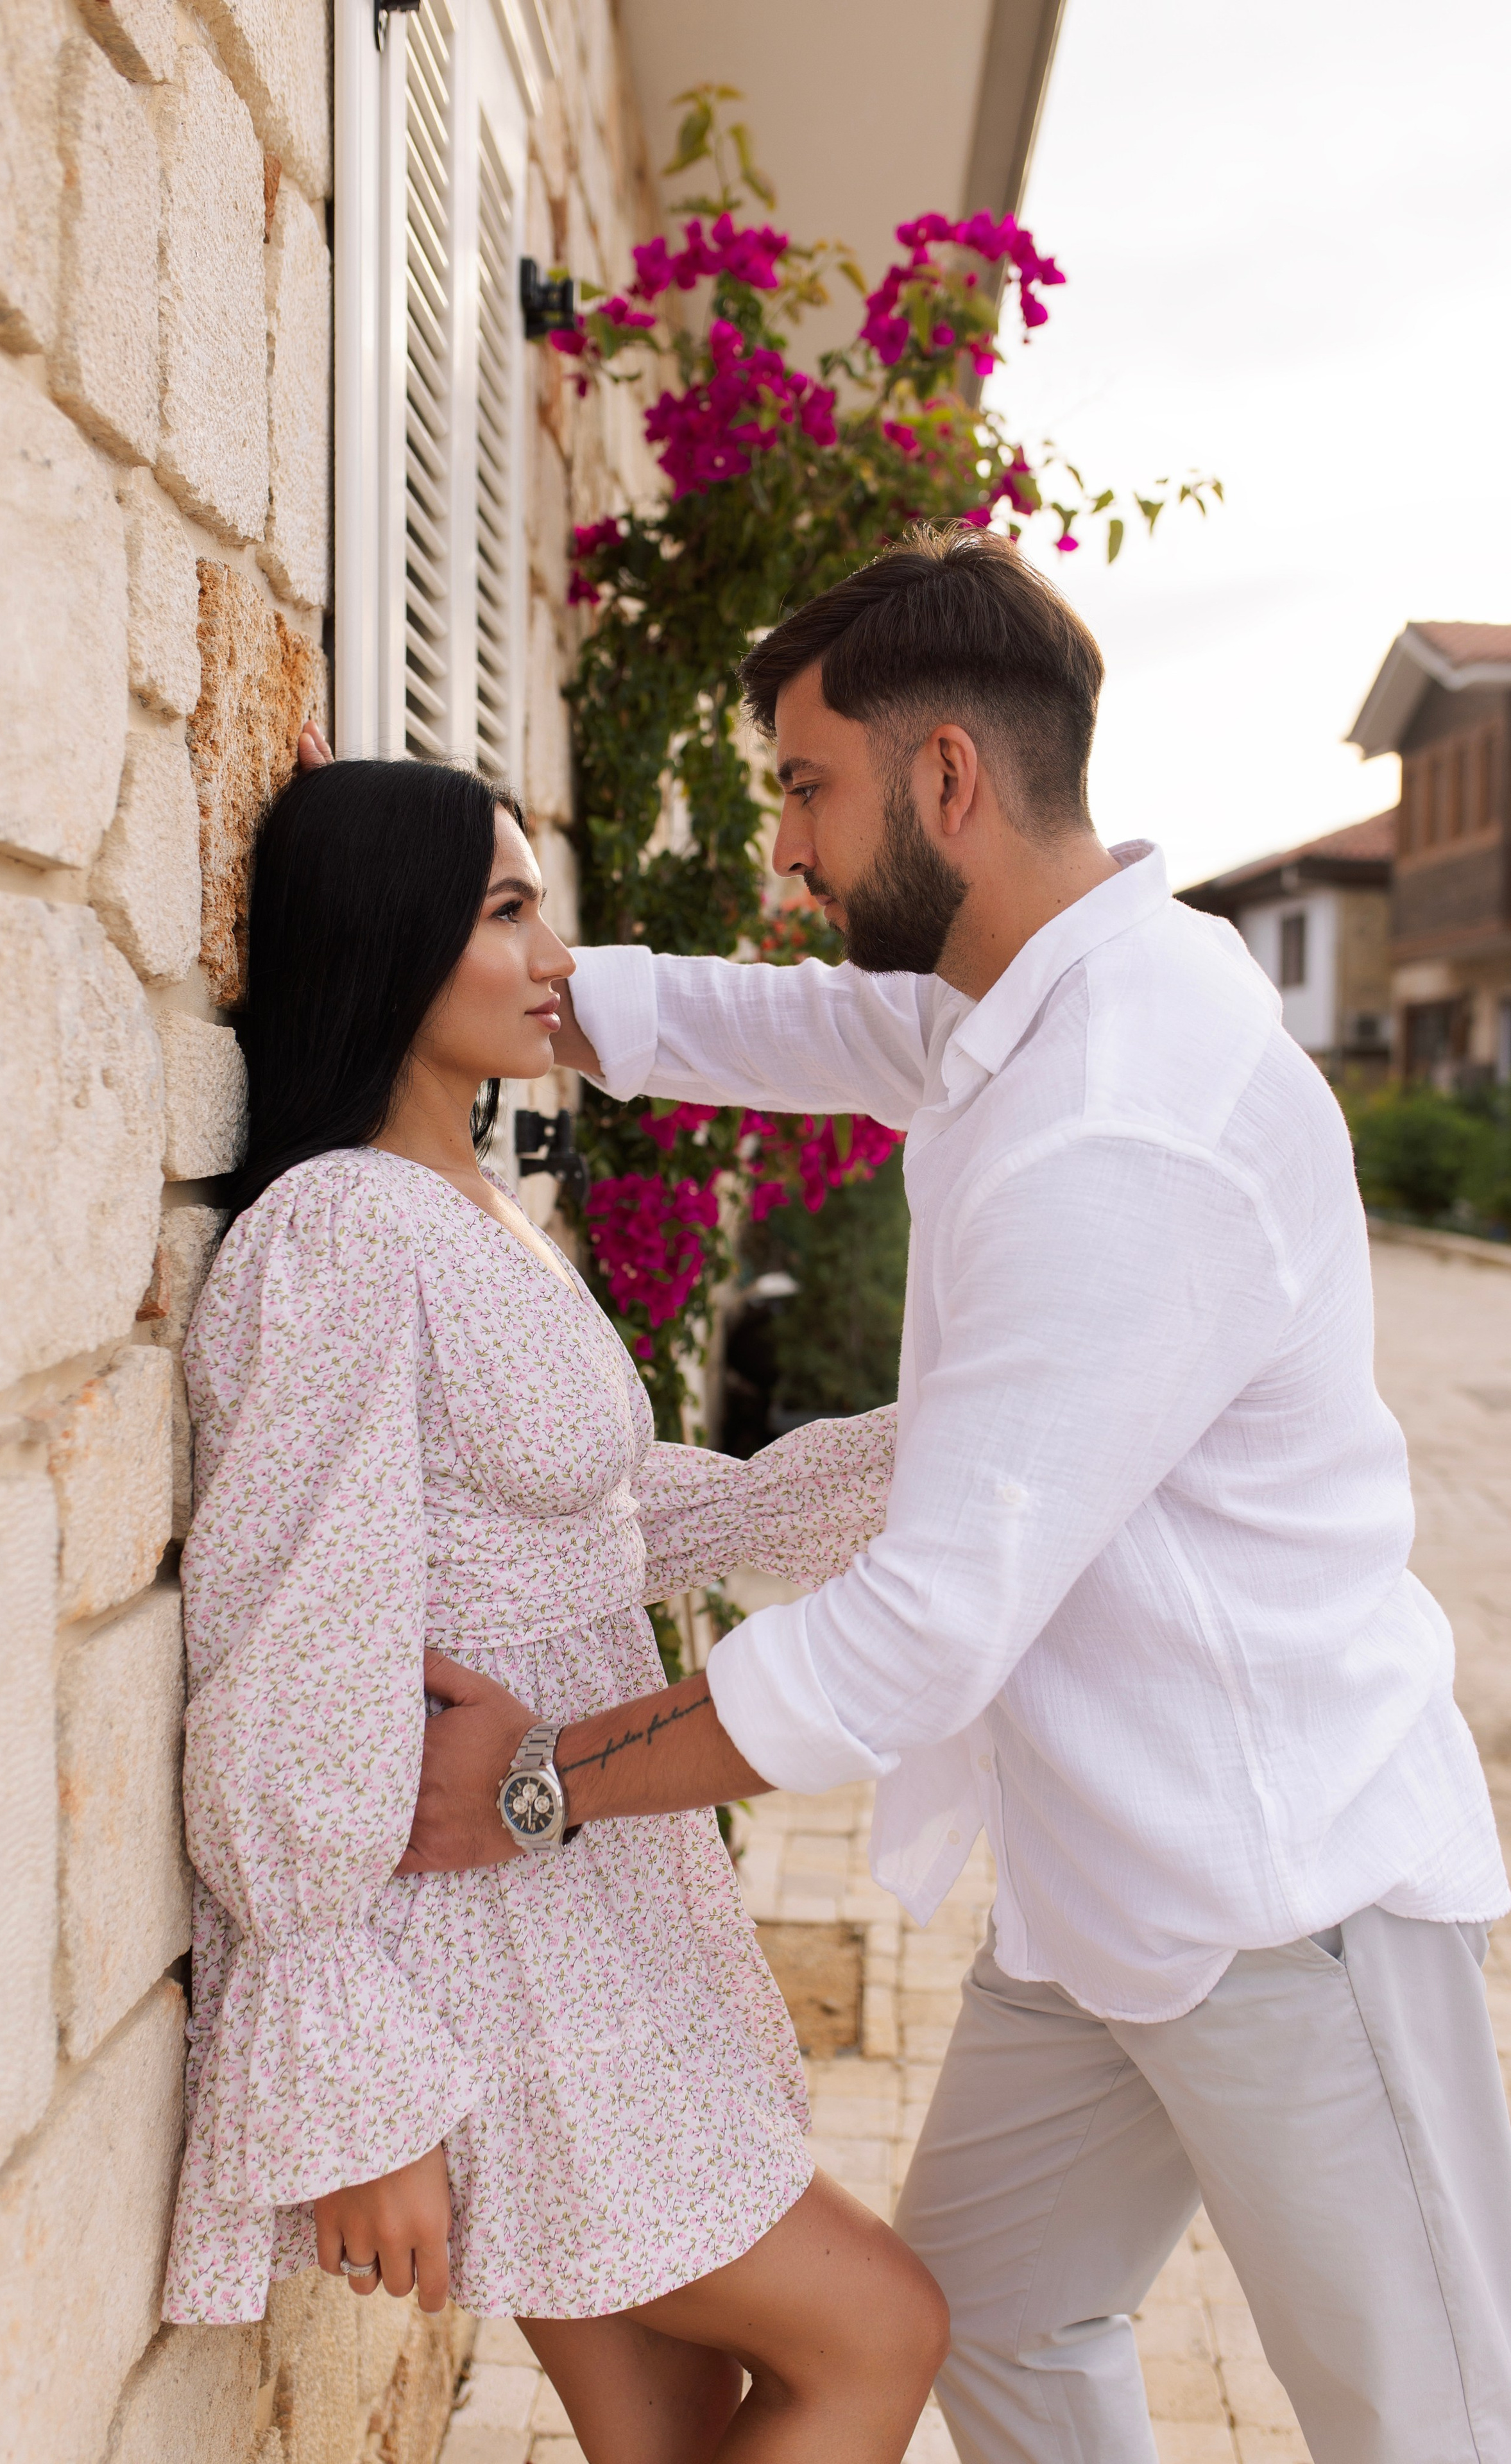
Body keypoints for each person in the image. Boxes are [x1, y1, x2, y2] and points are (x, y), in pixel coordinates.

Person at [402, 527, 1511, 2464]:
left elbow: (913, 1638)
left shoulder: (1121, 1119)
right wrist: (544, 989)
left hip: (1284, 1903)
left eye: (811, 791)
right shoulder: (1051, 1001)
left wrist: (536, 1783)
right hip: (1100, 1906)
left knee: (1432, 2422)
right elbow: (843, 1028)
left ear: (946, 780)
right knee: (995, 2328)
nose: (791, 851)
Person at [158, 750, 950, 2464]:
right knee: (881, 2330)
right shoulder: (347, 1229)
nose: (551, 959)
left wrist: (960, 1448)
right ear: (387, 936)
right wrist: (344, 2058)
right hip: (489, 1938)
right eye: (508, 910)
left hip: (587, 1893)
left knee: (675, 2423)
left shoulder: (475, 1212)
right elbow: (289, 1633)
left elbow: (591, 1524)